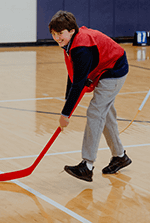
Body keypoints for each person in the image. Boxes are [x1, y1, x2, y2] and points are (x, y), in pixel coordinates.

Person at [48, 10, 131, 182]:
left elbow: (79, 84)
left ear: (71, 30)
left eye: (60, 33)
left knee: (95, 112)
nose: (57, 38)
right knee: (105, 114)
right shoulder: (69, 44)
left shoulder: (81, 48)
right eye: (54, 34)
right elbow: (73, 76)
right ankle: (120, 156)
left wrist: (65, 114)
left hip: (114, 70)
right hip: (103, 69)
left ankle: (87, 165)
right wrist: (67, 103)